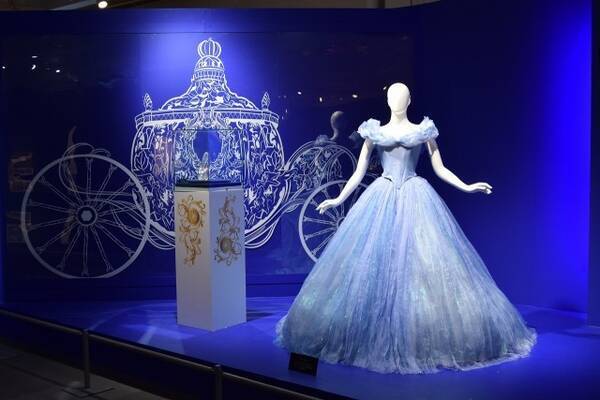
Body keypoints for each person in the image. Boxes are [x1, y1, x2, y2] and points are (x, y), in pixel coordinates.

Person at [274, 83, 536, 374]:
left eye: (401, 96)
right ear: (387, 100)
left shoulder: (423, 130)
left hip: (415, 194)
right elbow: (358, 172)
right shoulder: (374, 131)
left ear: (409, 100)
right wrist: (337, 198)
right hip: (382, 194)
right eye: (392, 96)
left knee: (424, 263)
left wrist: (466, 186)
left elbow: (440, 168)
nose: (396, 100)